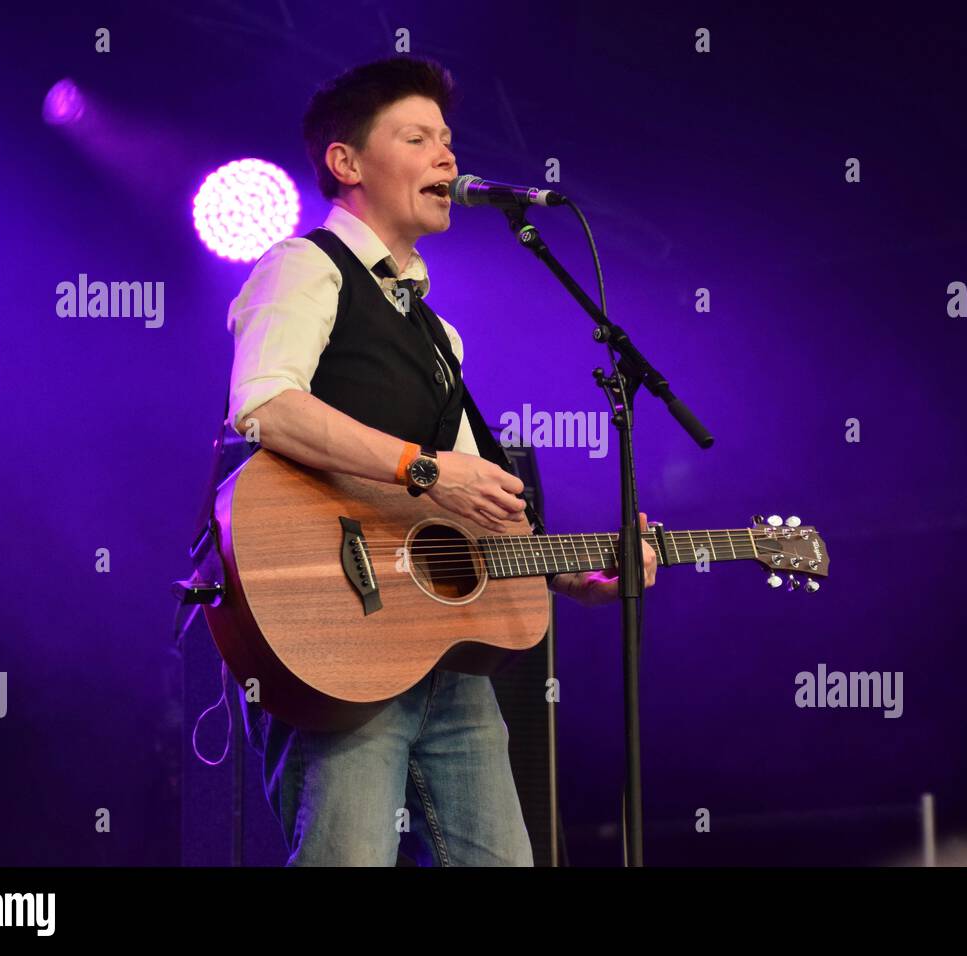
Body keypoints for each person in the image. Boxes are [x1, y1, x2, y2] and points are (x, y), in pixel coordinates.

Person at [224, 55, 657, 866]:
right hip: (335, 646)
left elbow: (469, 512)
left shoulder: (437, 332)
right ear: (345, 163)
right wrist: (425, 468)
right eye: (418, 137)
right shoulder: (303, 265)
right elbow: (265, 404)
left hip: (446, 664)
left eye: (449, 140)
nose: (449, 159)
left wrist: (576, 573)